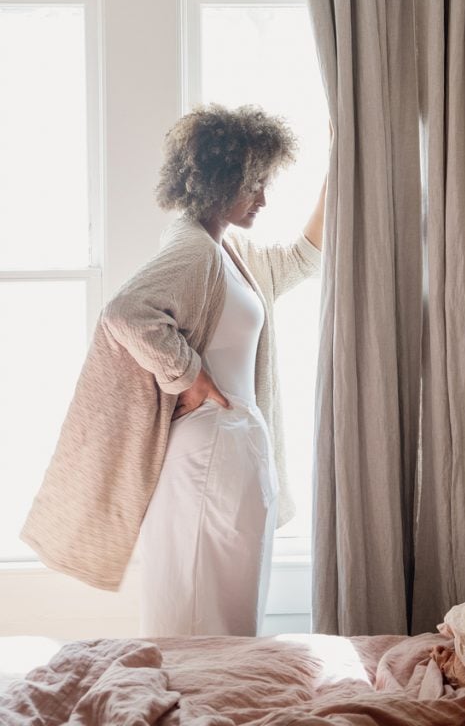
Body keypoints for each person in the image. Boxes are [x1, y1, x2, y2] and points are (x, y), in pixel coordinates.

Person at [21, 103, 325, 636]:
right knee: (196, 610)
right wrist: (190, 376)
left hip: (233, 447)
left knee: (229, 612)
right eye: (253, 184)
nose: (262, 198)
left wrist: (341, 164)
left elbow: (303, 258)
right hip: (207, 453)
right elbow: (125, 311)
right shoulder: (193, 250)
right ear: (217, 182)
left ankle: (218, 706)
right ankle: (190, 711)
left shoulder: (230, 251)